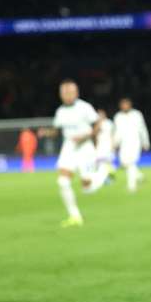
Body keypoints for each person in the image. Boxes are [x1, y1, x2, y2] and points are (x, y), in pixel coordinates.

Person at [37, 80, 106, 226]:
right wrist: (46, 132)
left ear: (76, 93)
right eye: (64, 92)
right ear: (60, 94)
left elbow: (98, 124)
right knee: (63, 182)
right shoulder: (60, 111)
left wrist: (86, 136)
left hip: (85, 147)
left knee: (87, 188)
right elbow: (57, 131)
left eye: (70, 92)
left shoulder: (84, 107)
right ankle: (75, 216)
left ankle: (103, 173)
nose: (67, 95)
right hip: (69, 147)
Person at [113, 98, 150, 192]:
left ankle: (131, 186)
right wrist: (115, 143)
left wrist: (145, 142)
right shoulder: (118, 116)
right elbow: (117, 131)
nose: (124, 106)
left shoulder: (137, 115)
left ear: (130, 105)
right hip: (123, 143)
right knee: (123, 163)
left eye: (126, 104)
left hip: (135, 142)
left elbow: (142, 129)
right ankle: (140, 176)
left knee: (131, 163)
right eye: (123, 104)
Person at [94, 109, 117, 185]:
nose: (100, 116)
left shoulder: (109, 123)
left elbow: (112, 134)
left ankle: (109, 178)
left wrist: (113, 145)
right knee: (99, 163)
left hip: (108, 145)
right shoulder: (97, 124)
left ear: (104, 114)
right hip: (100, 146)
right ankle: (102, 178)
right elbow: (95, 135)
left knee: (108, 163)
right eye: (98, 115)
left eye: (101, 114)